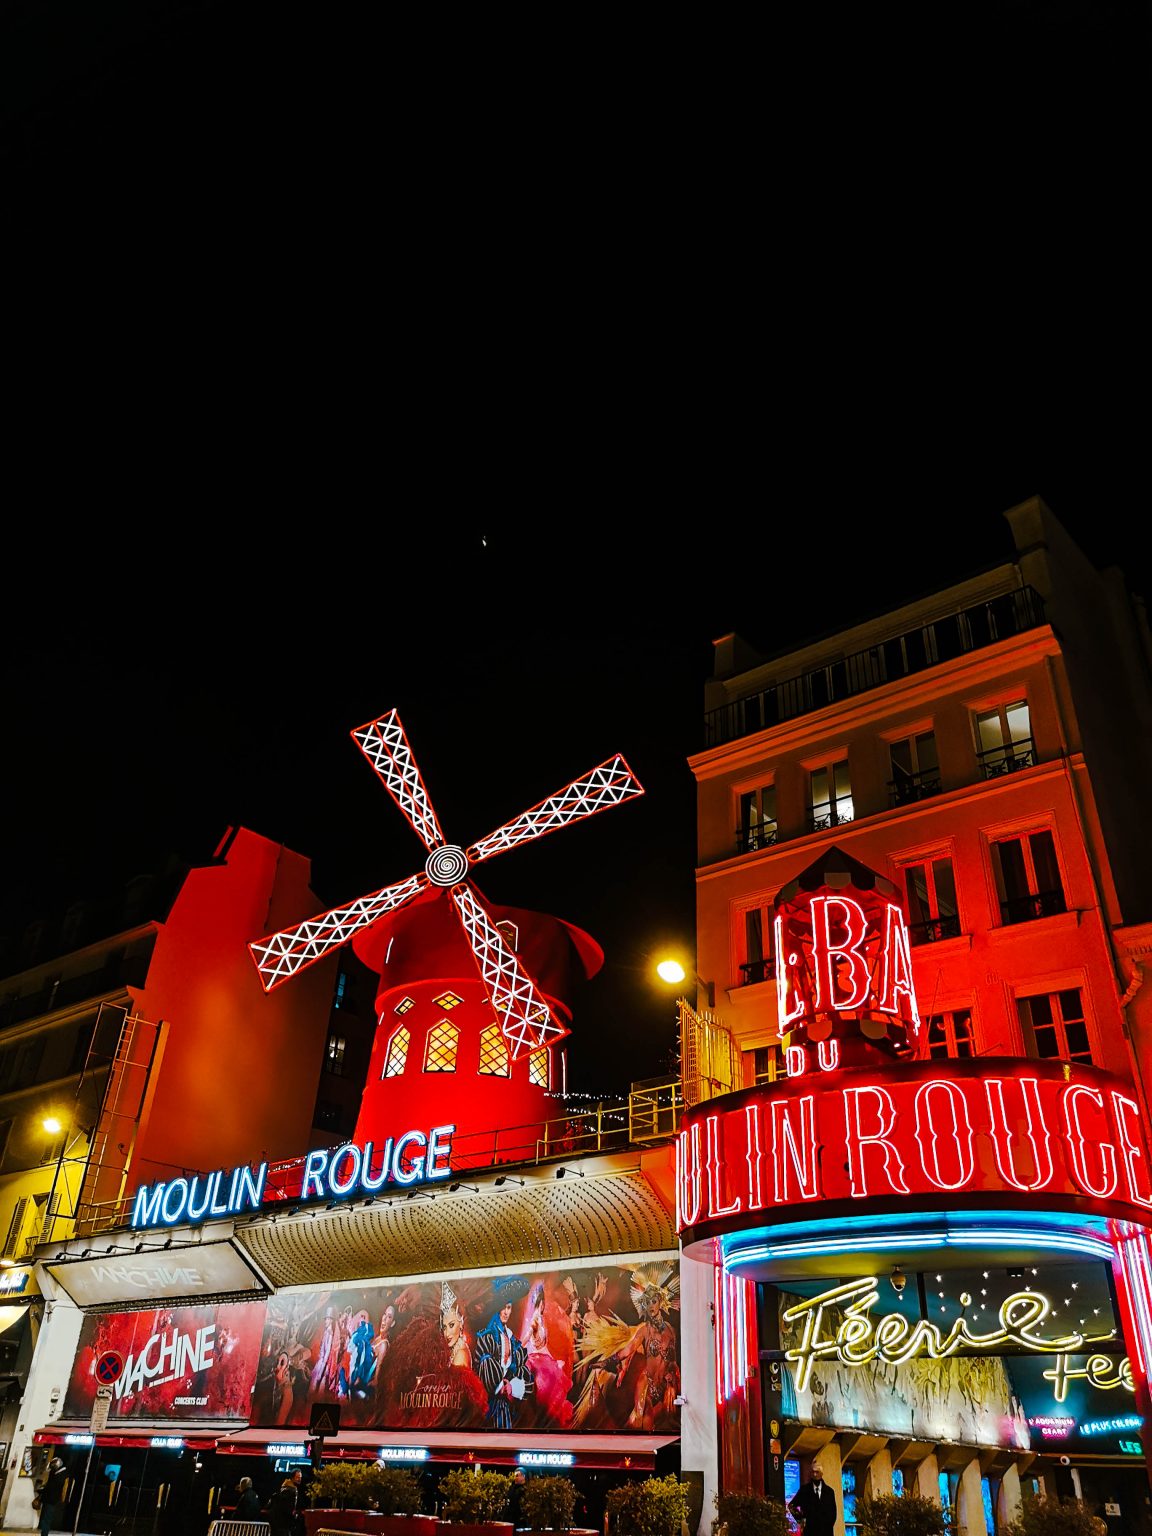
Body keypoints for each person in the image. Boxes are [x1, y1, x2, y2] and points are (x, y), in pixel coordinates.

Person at [475, 1282, 535, 1430]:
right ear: (496, 1309)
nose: (506, 1312)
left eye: (509, 1307)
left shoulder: (513, 1340)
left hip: (507, 1408)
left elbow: (526, 1378)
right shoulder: (487, 1337)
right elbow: (482, 1372)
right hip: (487, 1408)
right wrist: (499, 1387)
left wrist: (511, 1387)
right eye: (503, 1307)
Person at [788, 1465, 837, 1536]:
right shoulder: (804, 1490)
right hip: (809, 1530)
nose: (814, 1474)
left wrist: (828, 1524)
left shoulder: (829, 1492)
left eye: (817, 1472)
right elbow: (791, 1506)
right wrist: (801, 1519)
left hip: (826, 1531)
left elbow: (833, 1512)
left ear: (821, 1474)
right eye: (813, 1472)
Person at [36, 1454, 68, 1536]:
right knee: (45, 1517)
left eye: (53, 1464)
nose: (52, 1466)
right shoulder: (56, 1473)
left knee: (47, 1518)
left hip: (51, 1499)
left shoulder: (59, 1474)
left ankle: (44, 1534)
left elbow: (52, 1486)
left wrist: (43, 1490)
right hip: (49, 1499)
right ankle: (44, 1533)